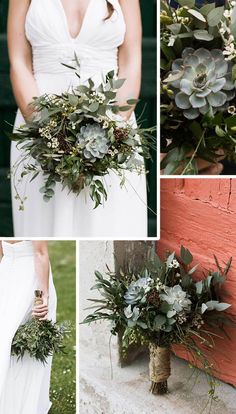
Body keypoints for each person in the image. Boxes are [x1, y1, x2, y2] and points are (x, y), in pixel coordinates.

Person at [8, 0, 147, 237]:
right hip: (39, 131)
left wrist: (112, 134)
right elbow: (19, 61)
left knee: (111, 224)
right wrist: (47, 132)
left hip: (111, 129)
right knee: (45, 227)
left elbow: (131, 61)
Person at [0, 240, 57, 414]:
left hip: (6, 272)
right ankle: (24, 405)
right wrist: (43, 296)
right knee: (31, 344)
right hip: (29, 277)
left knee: (8, 338)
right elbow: (39, 253)